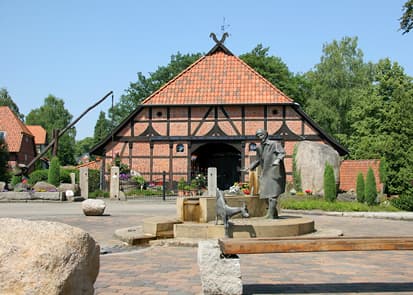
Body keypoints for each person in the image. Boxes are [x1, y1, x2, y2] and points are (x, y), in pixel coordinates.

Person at [246, 129, 286, 219]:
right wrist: (250, 167)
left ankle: (270, 215)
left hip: (275, 171)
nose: (259, 137)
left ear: (266, 134)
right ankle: (273, 214)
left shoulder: (274, 144)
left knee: (273, 194)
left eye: (261, 135)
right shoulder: (259, 147)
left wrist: (277, 160)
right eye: (258, 136)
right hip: (266, 172)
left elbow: (282, 153)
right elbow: (258, 160)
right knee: (265, 193)